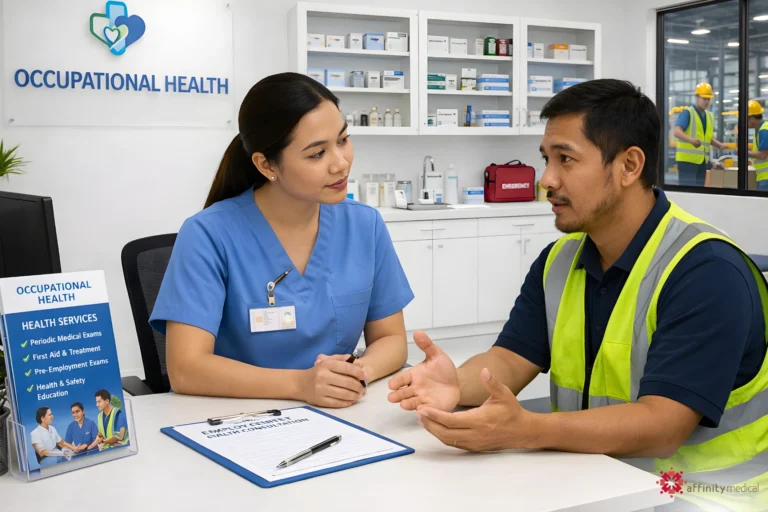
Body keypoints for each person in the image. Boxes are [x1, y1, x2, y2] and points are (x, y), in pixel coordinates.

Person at [388, 79, 768, 511]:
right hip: (595, 481)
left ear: (629, 166)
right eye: (546, 159)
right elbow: (510, 360)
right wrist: (453, 383)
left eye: (566, 159)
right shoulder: (560, 261)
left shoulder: (705, 272)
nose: (546, 179)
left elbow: (662, 425)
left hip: (703, 496)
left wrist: (527, 429)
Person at [149, 72, 413, 408]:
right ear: (266, 165)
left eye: (343, 140)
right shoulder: (208, 235)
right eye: (317, 154)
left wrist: (354, 374)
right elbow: (186, 369)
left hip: (340, 416)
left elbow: (391, 338)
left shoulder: (364, 224)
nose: (341, 163)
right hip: (234, 418)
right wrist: (302, 384)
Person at [673, 81, 727, 186]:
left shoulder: (709, 116)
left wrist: (718, 145)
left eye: (708, 99)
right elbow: (677, 131)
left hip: (702, 162)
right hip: (687, 162)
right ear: (697, 97)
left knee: (699, 193)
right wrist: (691, 140)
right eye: (704, 98)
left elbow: (707, 138)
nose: (706, 101)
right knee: (688, 193)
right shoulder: (688, 113)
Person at [746, 99, 768, 192]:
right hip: (762, 177)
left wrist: (745, 153)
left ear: (751, 118)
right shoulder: (759, 129)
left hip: (766, 178)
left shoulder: (764, 130)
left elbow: (763, 155)